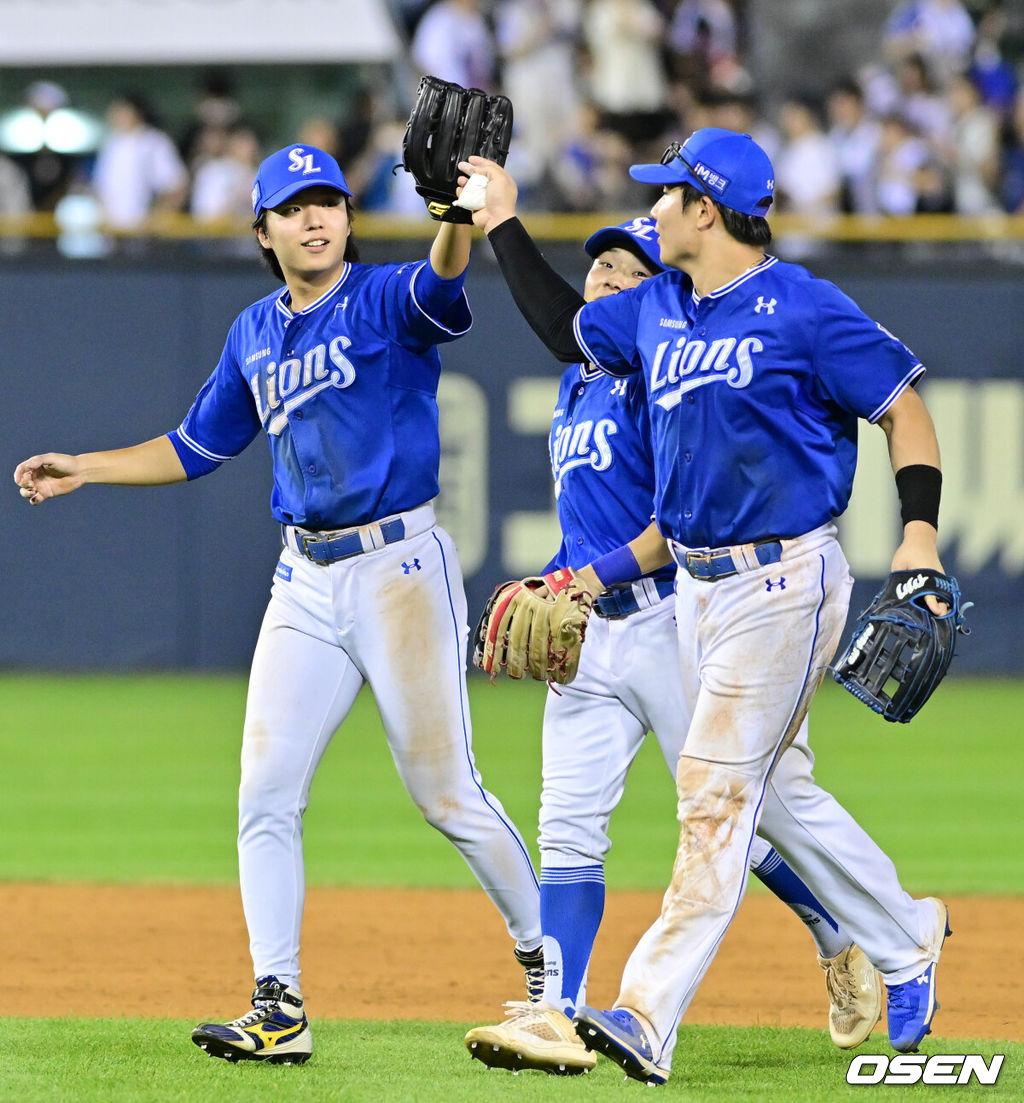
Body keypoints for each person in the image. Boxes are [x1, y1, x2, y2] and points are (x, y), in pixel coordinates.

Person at [13, 142, 542, 1066]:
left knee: (446, 794)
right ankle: (279, 1001)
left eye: (329, 201)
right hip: (303, 579)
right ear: (263, 230)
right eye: (294, 206)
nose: (316, 218)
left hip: (398, 568)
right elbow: (194, 446)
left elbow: (442, 277)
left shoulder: (383, 297)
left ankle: (552, 976)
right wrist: (85, 467)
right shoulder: (253, 331)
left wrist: (457, 214)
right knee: (264, 792)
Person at [459, 125, 952, 1082]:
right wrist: (504, 221)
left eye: (667, 193)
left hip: (786, 579)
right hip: (697, 588)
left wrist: (920, 530)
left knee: (715, 794)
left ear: (707, 209)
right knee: (775, 791)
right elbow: (567, 329)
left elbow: (903, 404)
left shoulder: (802, 308)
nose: (652, 206)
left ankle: (644, 1011)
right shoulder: (656, 309)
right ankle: (905, 934)